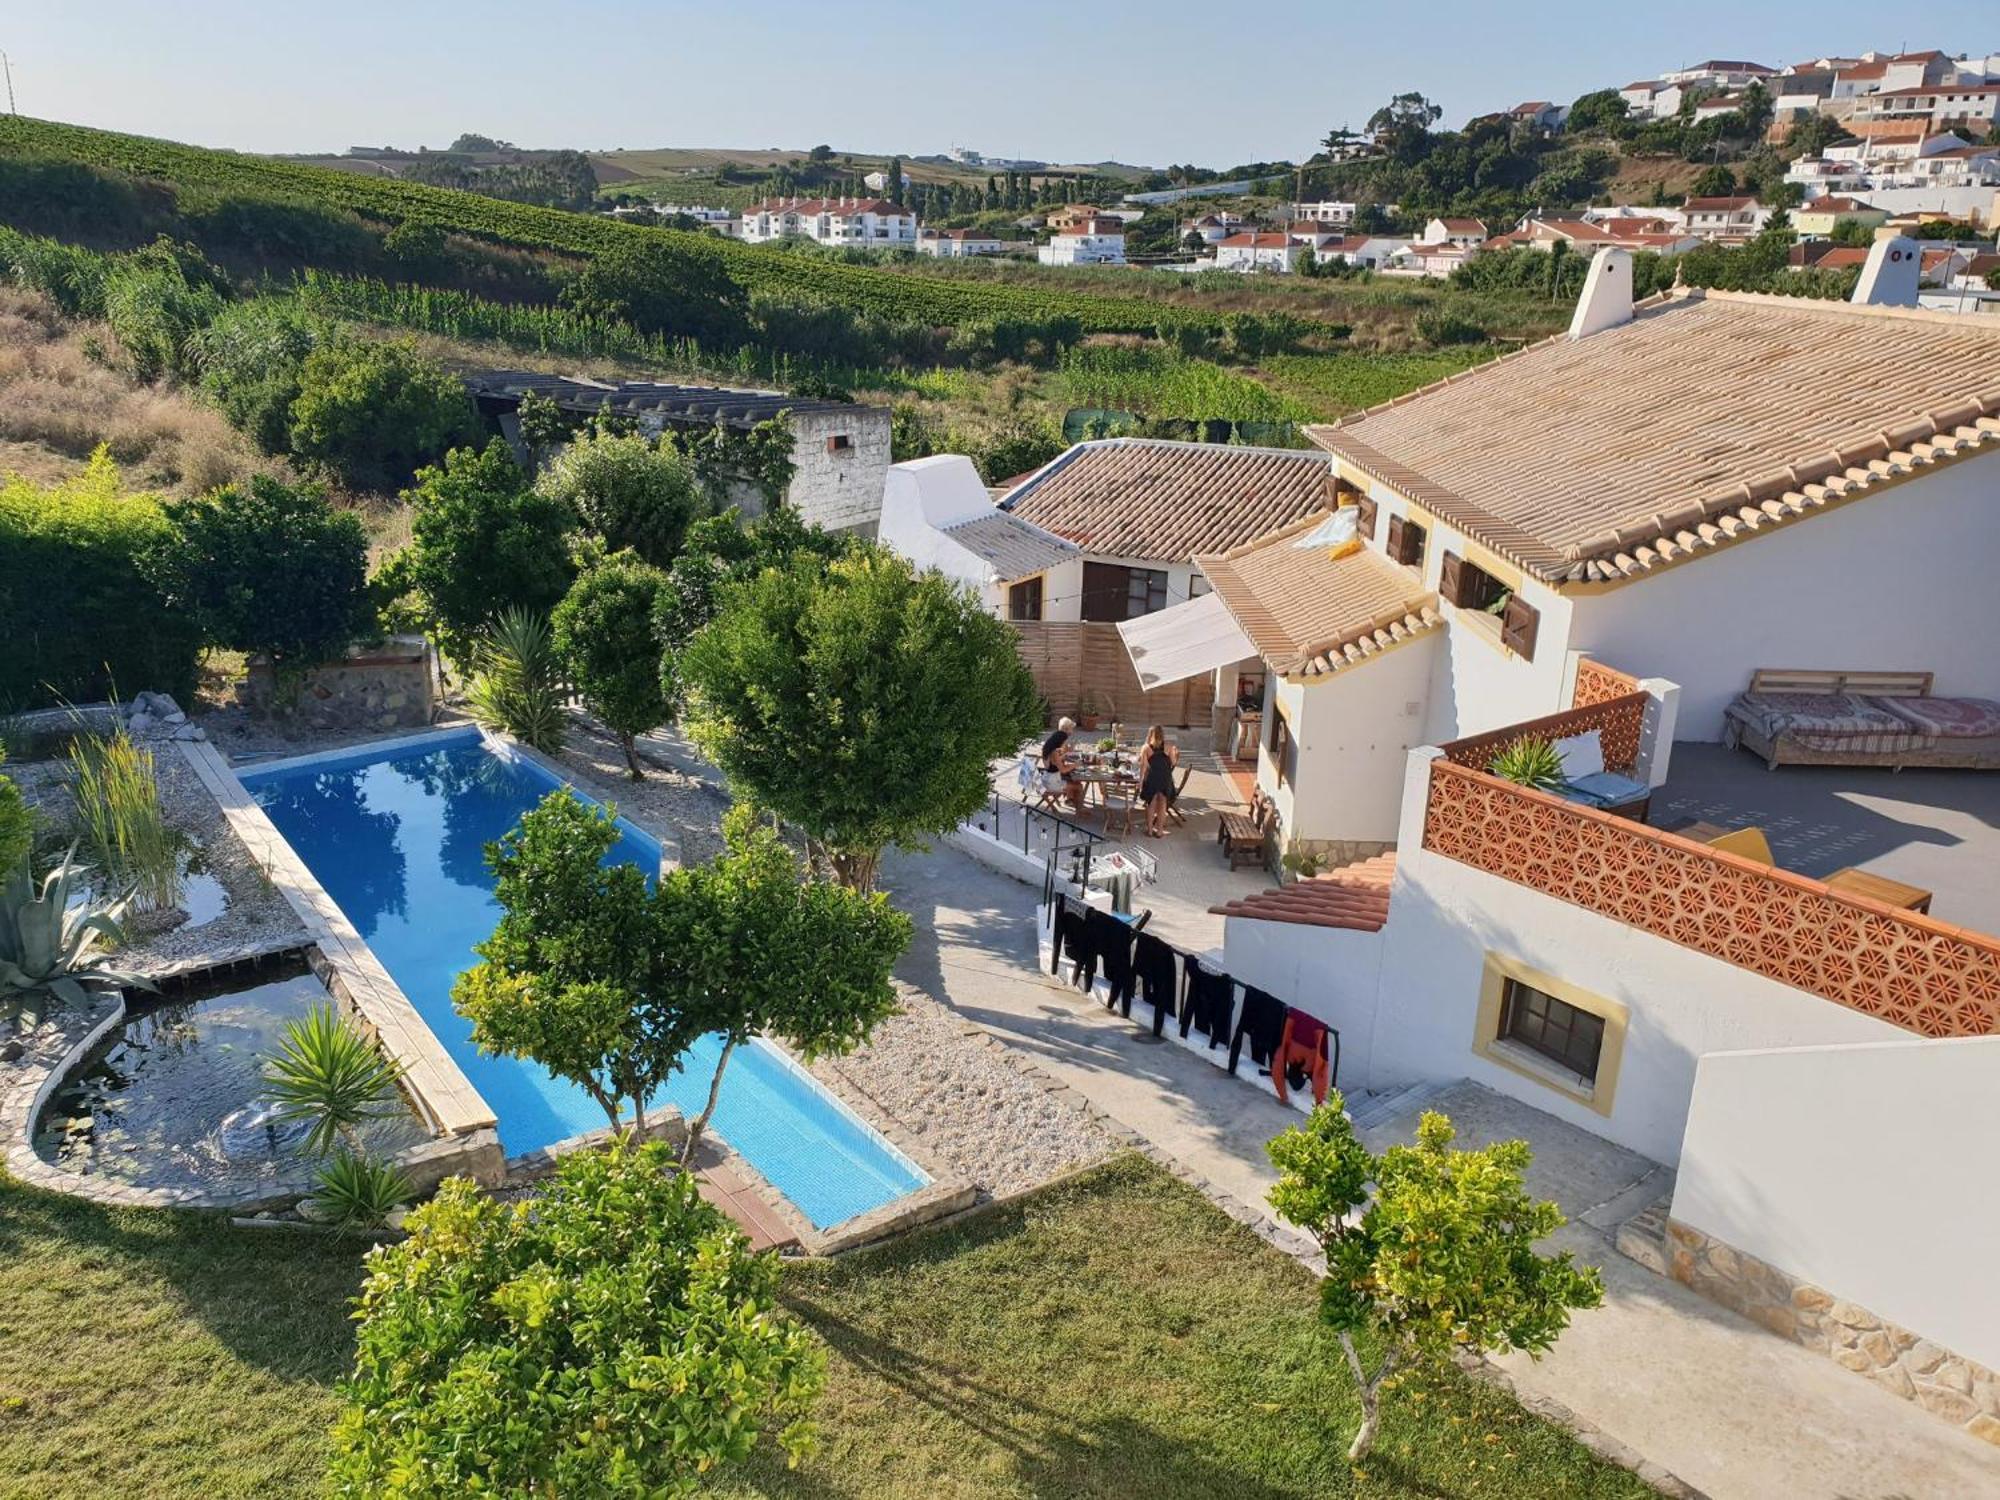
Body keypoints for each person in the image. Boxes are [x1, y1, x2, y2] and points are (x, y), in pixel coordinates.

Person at [1137, 724, 1178, 837]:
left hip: (1152, 778)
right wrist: (1174, 752)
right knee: (1163, 804)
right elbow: (1173, 762)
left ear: (1150, 735)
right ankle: (1159, 831)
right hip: (1165, 778)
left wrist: (1140, 782)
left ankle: (1150, 830)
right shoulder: (1168, 747)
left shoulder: (1146, 748)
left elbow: (1143, 766)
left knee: (1151, 803)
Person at [1040, 716, 1086, 814]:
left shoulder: (1052, 749)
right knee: (1078, 786)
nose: (1065, 743)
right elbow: (1063, 770)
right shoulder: (1054, 753)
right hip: (1052, 783)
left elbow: (1057, 760)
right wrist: (1076, 764)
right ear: (1059, 742)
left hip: (1048, 778)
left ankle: (1072, 801)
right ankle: (1080, 810)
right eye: (1064, 742)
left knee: (1073, 781)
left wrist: (1065, 753)